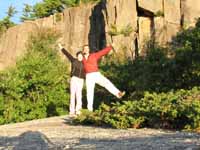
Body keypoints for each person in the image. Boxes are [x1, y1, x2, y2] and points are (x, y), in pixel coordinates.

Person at [82, 44, 125, 111]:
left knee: (106, 82)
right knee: (89, 93)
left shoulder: (93, 55)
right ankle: (89, 110)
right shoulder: (82, 59)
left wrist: (110, 47)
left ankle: (118, 93)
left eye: (87, 48)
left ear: (89, 49)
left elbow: (102, 52)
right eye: (85, 48)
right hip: (88, 76)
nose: (86, 49)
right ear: (83, 50)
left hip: (96, 74)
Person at [58, 44, 85, 116]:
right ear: (77, 56)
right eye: (79, 55)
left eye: (81, 56)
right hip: (74, 79)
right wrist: (62, 48)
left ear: (83, 57)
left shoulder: (84, 63)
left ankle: (78, 111)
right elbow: (67, 54)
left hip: (81, 80)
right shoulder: (74, 61)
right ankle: (71, 111)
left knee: (79, 95)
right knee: (72, 95)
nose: (80, 57)